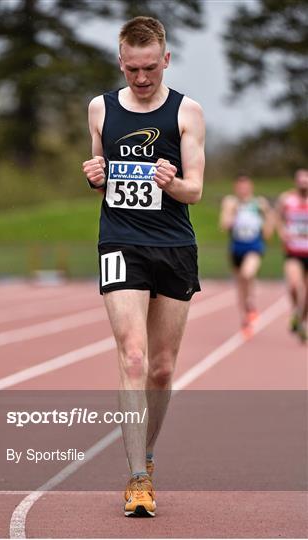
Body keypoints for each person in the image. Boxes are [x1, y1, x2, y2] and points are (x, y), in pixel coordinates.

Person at [82, 16, 205, 517]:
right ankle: (136, 478)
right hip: (121, 240)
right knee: (132, 356)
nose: (141, 78)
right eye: (132, 69)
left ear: (166, 60)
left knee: (160, 367)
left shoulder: (187, 111)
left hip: (173, 244)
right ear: (121, 62)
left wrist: (171, 182)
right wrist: (95, 175)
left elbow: (195, 190)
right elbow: (100, 174)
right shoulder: (100, 108)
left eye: (150, 68)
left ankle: (147, 454)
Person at [220, 174, 273, 338]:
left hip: (254, 247)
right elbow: (223, 225)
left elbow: (270, 218)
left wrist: (267, 231)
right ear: (236, 188)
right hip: (236, 248)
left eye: (246, 186)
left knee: (247, 273)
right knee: (240, 286)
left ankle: (251, 303)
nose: (243, 189)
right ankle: (246, 318)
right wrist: (233, 213)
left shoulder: (259, 203)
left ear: (251, 187)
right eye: (240, 186)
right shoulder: (231, 202)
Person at [276, 169, 308, 343]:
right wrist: (282, 231)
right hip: (294, 251)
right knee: (294, 285)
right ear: (296, 182)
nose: (304, 184)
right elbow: (278, 217)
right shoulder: (287, 199)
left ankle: (302, 322)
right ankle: (296, 310)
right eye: (301, 181)